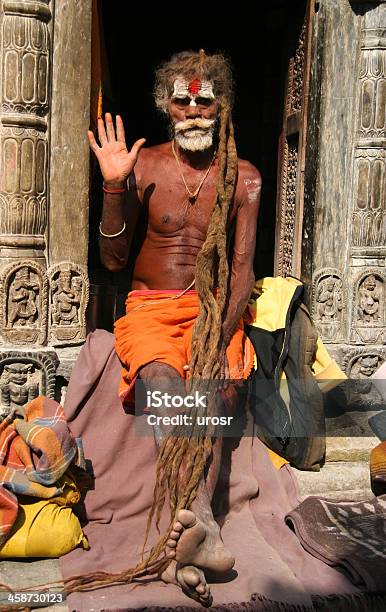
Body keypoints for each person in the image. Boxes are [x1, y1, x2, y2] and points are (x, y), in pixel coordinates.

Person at [88, 50, 261, 606]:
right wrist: (114, 186)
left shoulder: (247, 180)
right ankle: (203, 525)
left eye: (203, 98)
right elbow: (113, 261)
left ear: (221, 104)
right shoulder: (143, 167)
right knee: (162, 377)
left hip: (214, 309)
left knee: (210, 382)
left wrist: (220, 329)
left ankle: (176, 552)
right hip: (150, 308)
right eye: (181, 98)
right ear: (166, 104)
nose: (192, 108)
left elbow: (242, 270)